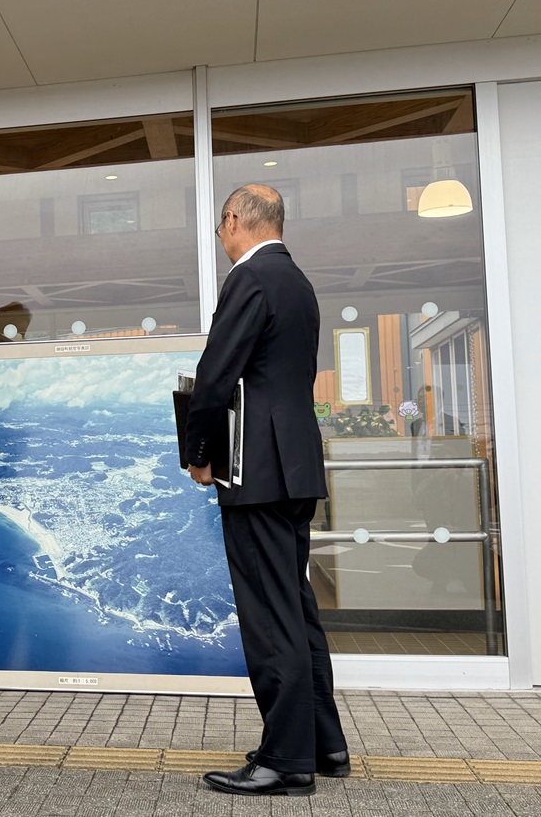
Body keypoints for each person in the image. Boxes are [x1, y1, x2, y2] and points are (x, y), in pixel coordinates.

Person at [183, 184, 348, 797]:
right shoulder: (297, 281)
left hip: (256, 471)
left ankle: (286, 759)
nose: (221, 237)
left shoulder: (250, 279)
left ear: (234, 221)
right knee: (297, 608)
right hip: (295, 467)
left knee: (269, 615)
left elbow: (215, 374)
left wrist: (198, 455)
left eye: (220, 225)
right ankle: (322, 743)